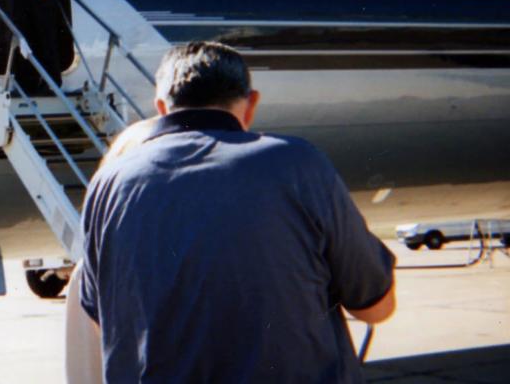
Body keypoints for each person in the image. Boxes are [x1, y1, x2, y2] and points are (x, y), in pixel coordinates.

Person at [73, 41, 396, 383]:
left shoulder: (108, 180)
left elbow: (100, 317)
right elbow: (376, 306)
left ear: (160, 107)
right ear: (251, 103)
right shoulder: (298, 163)